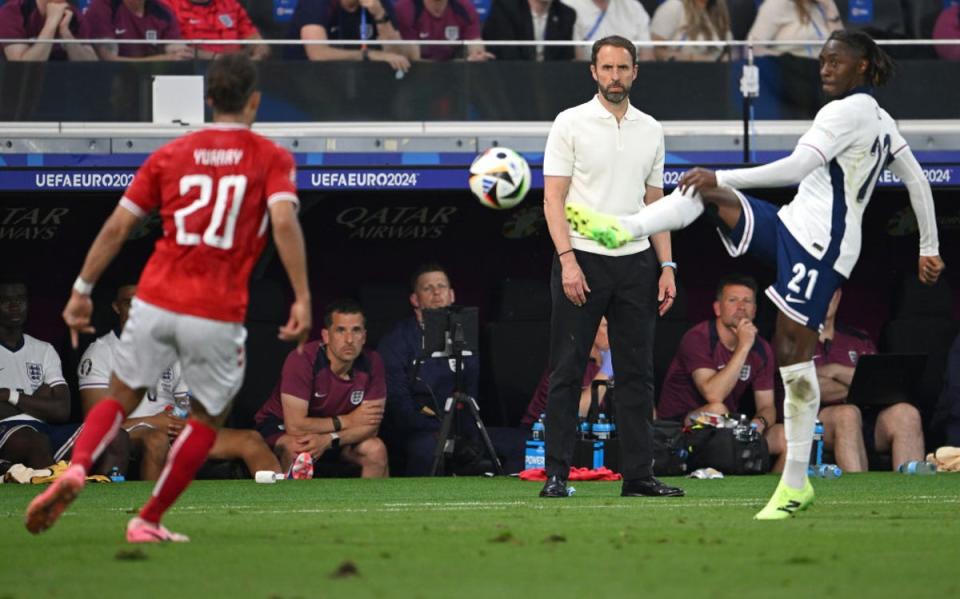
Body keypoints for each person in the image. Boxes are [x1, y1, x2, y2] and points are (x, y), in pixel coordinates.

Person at [566, 30, 944, 518]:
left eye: (835, 62)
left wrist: (724, 175)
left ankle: (794, 483)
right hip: (790, 224)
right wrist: (928, 246)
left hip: (820, 249)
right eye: (822, 60)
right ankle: (626, 229)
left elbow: (797, 166)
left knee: (791, 357)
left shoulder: (846, 112)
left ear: (864, 67)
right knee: (709, 197)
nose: (824, 69)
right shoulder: (880, 118)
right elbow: (916, 177)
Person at [25, 53, 311, 543]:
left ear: (208, 99)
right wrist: (301, 297)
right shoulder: (270, 157)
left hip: (156, 297)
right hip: (216, 310)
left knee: (119, 397)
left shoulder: (172, 154)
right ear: (255, 102)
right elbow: (283, 223)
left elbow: (118, 226)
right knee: (206, 418)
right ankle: (149, 517)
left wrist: (80, 290)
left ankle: (74, 471)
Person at [539, 35, 683, 499]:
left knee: (638, 373)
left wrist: (667, 264)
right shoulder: (570, 122)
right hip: (582, 257)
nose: (615, 76)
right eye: (607, 68)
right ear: (593, 72)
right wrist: (567, 262)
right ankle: (556, 476)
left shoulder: (652, 128)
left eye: (623, 68)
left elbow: (655, 201)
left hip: (636, 261)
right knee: (566, 370)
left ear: (636, 71)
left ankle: (639, 476)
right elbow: (553, 199)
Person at [78, 285, 282, 480]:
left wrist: (187, 421)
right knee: (156, 440)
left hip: (173, 427)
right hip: (131, 432)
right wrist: (154, 421)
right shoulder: (102, 351)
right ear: (117, 307)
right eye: (131, 303)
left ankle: (281, 501)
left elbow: (187, 403)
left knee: (250, 439)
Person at [377, 263, 526, 475]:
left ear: (452, 294)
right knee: (427, 451)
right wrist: (440, 431)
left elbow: (472, 392)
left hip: (465, 429)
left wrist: (467, 435)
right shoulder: (397, 340)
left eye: (442, 286)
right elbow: (399, 405)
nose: (436, 292)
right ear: (414, 299)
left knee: (524, 443)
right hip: (421, 432)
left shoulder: (465, 334)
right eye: (427, 288)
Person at [657, 274, 785, 471]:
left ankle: (770, 492)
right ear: (717, 308)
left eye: (747, 301)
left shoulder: (762, 348)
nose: (741, 306)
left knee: (785, 436)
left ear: (755, 310)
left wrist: (757, 424)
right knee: (717, 409)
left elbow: (767, 406)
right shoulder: (698, 338)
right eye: (733, 300)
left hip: (728, 427)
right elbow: (713, 393)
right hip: (679, 429)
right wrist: (743, 346)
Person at [254, 300, 388, 478]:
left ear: (364, 336)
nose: (349, 339)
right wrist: (346, 421)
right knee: (298, 448)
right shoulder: (302, 359)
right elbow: (295, 426)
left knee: (375, 449)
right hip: (281, 427)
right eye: (341, 330)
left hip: (334, 437)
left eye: (356, 330)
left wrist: (329, 439)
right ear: (326, 336)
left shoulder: (373, 361)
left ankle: (371, 506)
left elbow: (371, 427)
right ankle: (291, 504)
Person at [811, 288, 925, 472]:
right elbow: (810, 387)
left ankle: (912, 496)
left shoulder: (858, 338)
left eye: (828, 293)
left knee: (907, 414)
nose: (823, 299)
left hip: (868, 418)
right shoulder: (795, 340)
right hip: (818, 422)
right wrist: (860, 385)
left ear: (838, 296)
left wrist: (835, 371)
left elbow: (880, 383)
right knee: (847, 414)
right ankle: (860, 498)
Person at [0, 281, 73, 469]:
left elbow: (62, 410)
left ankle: (110, 493)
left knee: (114, 436)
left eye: (20, 299)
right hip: (7, 433)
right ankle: (53, 493)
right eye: (6, 299)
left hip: (45, 430)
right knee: (33, 438)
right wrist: (39, 401)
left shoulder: (44, 350)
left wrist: (10, 395)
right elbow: (52, 407)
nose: (14, 305)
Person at [523, 318, 611, 427]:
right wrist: (606, 372)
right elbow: (577, 412)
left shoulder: (606, 361)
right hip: (539, 433)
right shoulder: (568, 362)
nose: (613, 331)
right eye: (606, 326)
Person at [286, 0, 414, 73]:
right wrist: (368, 55)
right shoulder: (316, 3)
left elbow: (397, 55)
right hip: (312, 79)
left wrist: (380, 15)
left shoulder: (380, 4)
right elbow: (318, 54)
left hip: (363, 82)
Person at [79, 0, 193, 61]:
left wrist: (177, 56)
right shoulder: (103, 7)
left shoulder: (163, 12)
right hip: (113, 86)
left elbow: (179, 55)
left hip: (155, 83)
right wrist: (163, 59)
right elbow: (109, 61)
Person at [392, 0, 493, 61]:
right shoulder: (406, 8)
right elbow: (414, 62)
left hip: (454, 74)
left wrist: (478, 57)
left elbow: (475, 46)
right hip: (416, 77)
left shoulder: (465, 7)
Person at [168, 0, 269, 60]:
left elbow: (257, 41)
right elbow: (180, 51)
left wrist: (258, 53)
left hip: (235, 73)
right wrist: (221, 59)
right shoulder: (168, 5)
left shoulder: (230, 4)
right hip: (193, 73)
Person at [0, 0, 97, 61]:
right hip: (25, 88)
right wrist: (51, 24)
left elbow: (91, 66)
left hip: (65, 84)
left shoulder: (74, 14)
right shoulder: (13, 11)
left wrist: (66, 34)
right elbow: (21, 68)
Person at [481, 0, 577, 62]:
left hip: (551, 80)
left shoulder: (566, 14)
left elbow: (565, 58)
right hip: (510, 79)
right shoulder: (505, 8)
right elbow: (507, 54)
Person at [560, 0, 654, 62]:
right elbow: (577, 59)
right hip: (586, 78)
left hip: (631, 79)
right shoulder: (567, 7)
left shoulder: (634, 7)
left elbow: (647, 55)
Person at [748, 0, 842, 58]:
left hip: (824, 74)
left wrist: (830, 6)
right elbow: (752, 48)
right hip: (791, 75)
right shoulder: (777, 3)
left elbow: (840, 47)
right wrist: (783, 58)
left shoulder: (820, 7)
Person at [650, 0, 733, 62]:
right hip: (679, 74)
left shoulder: (719, 10)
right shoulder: (674, 6)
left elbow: (730, 49)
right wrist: (693, 58)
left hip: (715, 75)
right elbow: (654, 51)